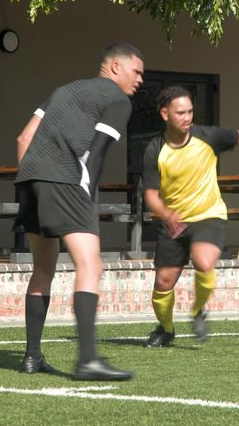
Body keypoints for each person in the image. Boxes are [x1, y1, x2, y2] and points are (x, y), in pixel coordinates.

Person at [14, 42, 144, 381]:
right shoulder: (118, 100)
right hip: (66, 180)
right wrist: (84, 198)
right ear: (116, 67)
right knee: (91, 264)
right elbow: (97, 155)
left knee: (43, 268)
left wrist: (32, 179)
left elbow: (23, 138)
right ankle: (88, 359)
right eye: (137, 72)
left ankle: (32, 356)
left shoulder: (63, 91)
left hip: (29, 179)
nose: (140, 80)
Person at [141, 86, 239, 347]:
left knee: (203, 261)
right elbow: (151, 195)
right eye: (180, 113)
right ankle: (165, 330)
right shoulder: (155, 149)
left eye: (190, 112)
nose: (187, 118)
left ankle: (198, 310)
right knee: (163, 285)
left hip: (208, 215)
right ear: (165, 114)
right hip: (173, 222)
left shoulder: (207, 136)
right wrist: (167, 214)